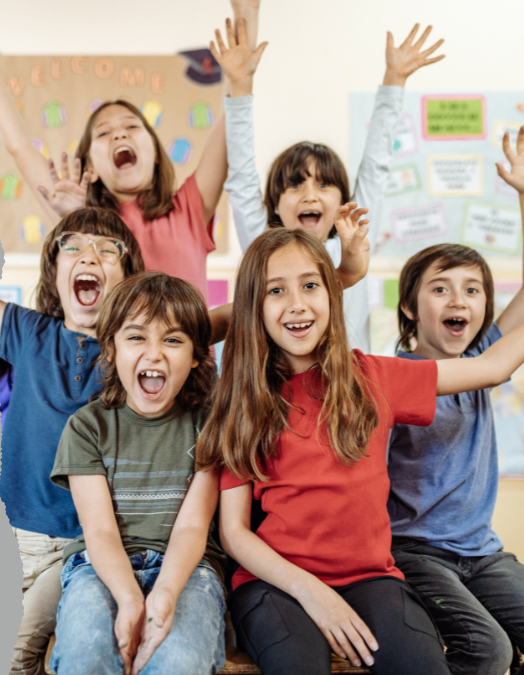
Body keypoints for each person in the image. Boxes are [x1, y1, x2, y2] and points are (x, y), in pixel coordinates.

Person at [198, 222, 524, 675]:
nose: (297, 304)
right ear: (253, 307)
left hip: (372, 580)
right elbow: (234, 533)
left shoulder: (375, 377)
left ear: (332, 295)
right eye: (276, 291)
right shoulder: (243, 400)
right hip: (274, 584)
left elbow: (492, 367)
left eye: (311, 285)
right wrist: (313, 592)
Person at [0, 9, 231, 301]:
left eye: (132, 126)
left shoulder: (189, 209)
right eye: (104, 133)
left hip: (186, 348)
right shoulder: (79, 216)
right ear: (91, 168)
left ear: (157, 155)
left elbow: (227, 125)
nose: (120, 134)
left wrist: (245, 20)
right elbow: (19, 147)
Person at [216, 8, 444, 351]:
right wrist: (240, 85)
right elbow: (242, 175)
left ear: (343, 202)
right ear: (274, 204)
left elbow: (376, 165)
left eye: (324, 185)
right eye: (295, 185)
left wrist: (394, 80)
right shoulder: (263, 246)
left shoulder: (350, 246)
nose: (309, 195)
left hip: (348, 393)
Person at [385, 128, 524, 675]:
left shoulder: (482, 351)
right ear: (412, 310)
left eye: (472, 289)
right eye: (440, 288)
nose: (458, 298)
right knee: (488, 651)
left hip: (482, 551)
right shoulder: (395, 375)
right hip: (417, 553)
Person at [0, 207, 145, 675]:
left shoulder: (136, 350)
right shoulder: (29, 332)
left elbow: (217, 320)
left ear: (128, 279)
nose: (88, 255)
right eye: (72, 247)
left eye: (107, 250)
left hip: (78, 548)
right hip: (9, 539)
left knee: (14, 654)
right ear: (55, 274)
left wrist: (339, 275)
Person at [49, 272, 226, 675]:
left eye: (173, 340)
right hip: (99, 566)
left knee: (179, 662)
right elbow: (100, 532)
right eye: (136, 337)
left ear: (197, 355)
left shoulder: (209, 427)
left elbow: (191, 530)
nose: (154, 354)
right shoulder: (87, 427)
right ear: (110, 349)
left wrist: (163, 592)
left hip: (188, 568)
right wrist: (130, 598)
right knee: (84, 658)